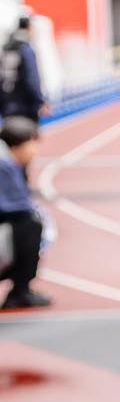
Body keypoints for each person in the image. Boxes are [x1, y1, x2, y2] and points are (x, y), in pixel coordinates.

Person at [0, 115, 51, 311]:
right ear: (16, 146)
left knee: (31, 222)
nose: (35, 151)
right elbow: (14, 207)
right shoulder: (4, 165)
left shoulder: (11, 163)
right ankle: (20, 292)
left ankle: (21, 290)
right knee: (31, 226)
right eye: (32, 145)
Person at [1, 13, 46, 125]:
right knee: (26, 135)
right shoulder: (25, 49)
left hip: (7, 107)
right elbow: (32, 78)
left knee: (11, 134)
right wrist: (40, 101)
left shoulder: (6, 48)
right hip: (25, 108)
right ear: (29, 28)